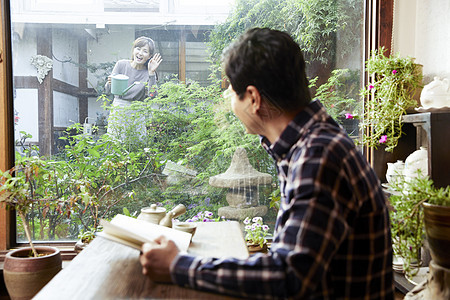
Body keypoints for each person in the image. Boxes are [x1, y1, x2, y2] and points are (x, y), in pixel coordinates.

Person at [140, 28, 394, 299]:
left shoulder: (318, 156)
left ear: (252, 98)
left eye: (230, 91)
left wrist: (177, 265)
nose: (228, 102)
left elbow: (290, 277)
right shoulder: (310, 143)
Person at [105, 36, 162, 136]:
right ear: (133, 50)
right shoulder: (121, 65)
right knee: (115, 141)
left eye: (145, 51)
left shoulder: (148, 72)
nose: (140, 53)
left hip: (138, 111)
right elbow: (108, 90)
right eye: (138, 49)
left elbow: (152, 96)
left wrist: (151, 73)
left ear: (149, 56)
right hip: (119, 108)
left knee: (136, 144)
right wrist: (109, 83)